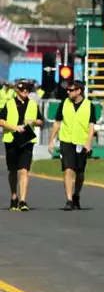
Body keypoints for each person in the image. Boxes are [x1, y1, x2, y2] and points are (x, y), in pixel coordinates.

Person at [48, 80, 96, 211]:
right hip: (66, 141)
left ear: (79, 91)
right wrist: (51, 140)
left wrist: (89, 143)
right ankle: (69, 200)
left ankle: (76, 195)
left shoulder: (89, 106)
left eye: (71, 90)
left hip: (81, 141)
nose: (68, 92)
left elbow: (91, 126)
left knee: (80, 172)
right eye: (67, 90)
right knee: (68, 169)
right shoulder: (64, 103)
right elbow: (57, 122)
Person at [1, 80, 44, 211]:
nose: (25, 92)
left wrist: (34, 121)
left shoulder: (33, 104)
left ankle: (23, 200)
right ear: (17, 90)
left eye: (28, 90)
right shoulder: (9, 104)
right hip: (11, 140)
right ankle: (14, 197)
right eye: (22, 89)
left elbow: (41, 121)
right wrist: (14, 127)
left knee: (24, 169)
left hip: (26, 140)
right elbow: (1, 121)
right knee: (12, 170)